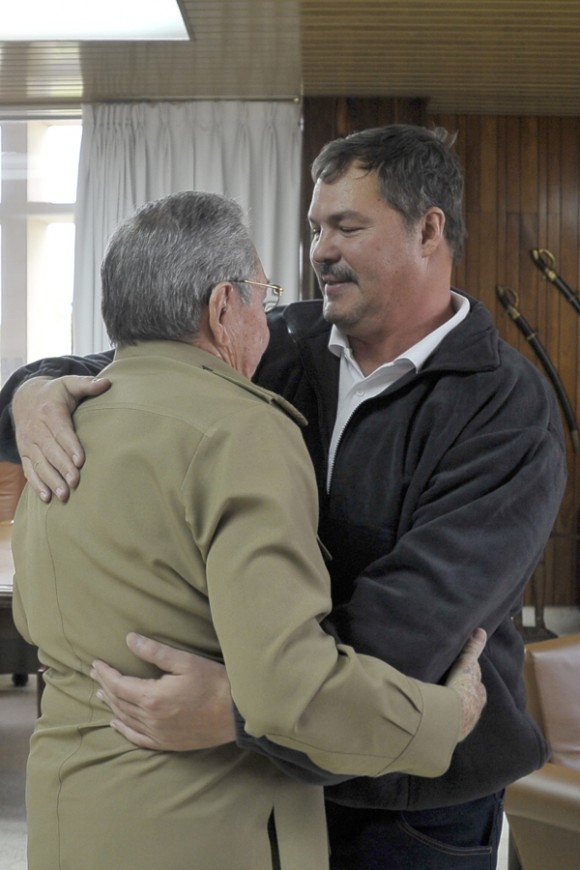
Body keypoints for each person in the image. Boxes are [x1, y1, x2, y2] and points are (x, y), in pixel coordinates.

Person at [1, 124, 566, 869]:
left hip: (410, 797)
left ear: (429, 230)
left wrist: (239, 713)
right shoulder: (277, 340)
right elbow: (144, 360)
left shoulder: (506, 410)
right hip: (265, 785)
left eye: (347, 226)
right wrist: (30, 392)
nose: (319, 251)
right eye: (313, 228)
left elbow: (410, 630)